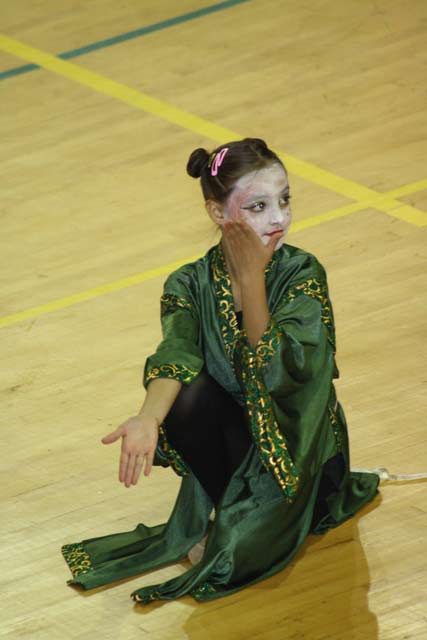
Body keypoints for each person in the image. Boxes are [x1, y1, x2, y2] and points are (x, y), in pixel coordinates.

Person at [61, 137, 381, 604]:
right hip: (241, 442)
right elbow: (177, 353)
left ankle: (264, 520)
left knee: (232, 559)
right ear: (218, 214)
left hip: (302, 456)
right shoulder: (189, 283)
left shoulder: (303, 273)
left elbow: (284, 376)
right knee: (181, 397)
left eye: (285, 200)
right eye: (258, 206)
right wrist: (148, 417)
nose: (278, 218)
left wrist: (252, 281)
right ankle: (237, 511)